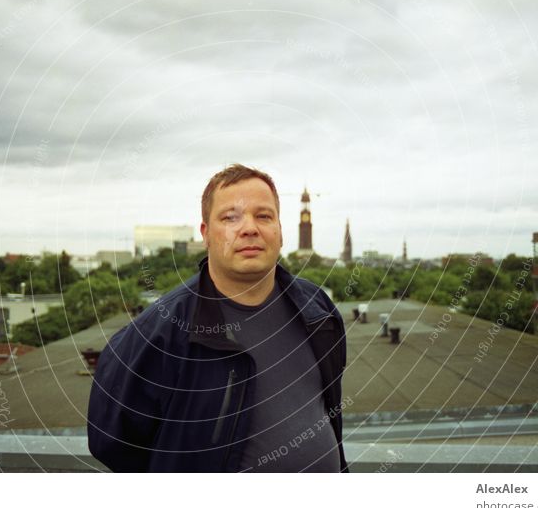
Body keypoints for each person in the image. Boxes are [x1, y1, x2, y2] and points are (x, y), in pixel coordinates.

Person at [87, 163, 348, 472]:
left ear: (280, 231)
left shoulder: (316, 309)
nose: (249, 228)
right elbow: (114, 443)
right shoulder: (156, 334)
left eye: (264, 216)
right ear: (206, 234)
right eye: (230, 217)